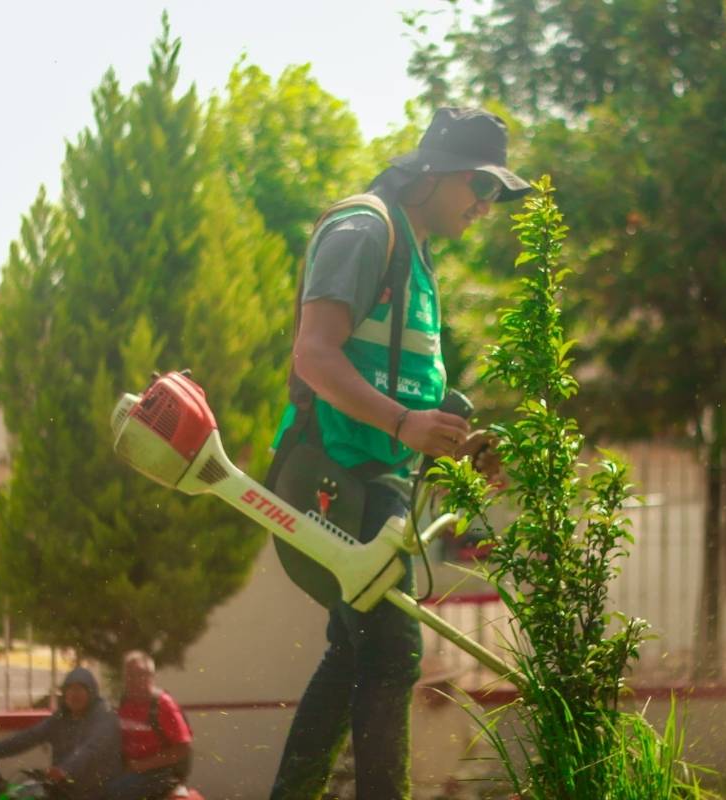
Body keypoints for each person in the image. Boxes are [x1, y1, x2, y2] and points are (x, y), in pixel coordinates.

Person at [266, 107, 529, 799]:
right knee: (390, 654)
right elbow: (315, 356)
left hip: (374, 471)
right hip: (334, 468)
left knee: (357, 653)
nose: (485, 206)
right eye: (483, 186)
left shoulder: (415, 248)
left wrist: (459, 434)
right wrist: (403, 422)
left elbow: (407, 379)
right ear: (442, 171)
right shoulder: (364, 229)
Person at [0, 666, 122, 800]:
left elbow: (90, 750)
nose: (74, 694)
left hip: (97, 791)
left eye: (80, 689)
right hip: (64, 789)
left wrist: (65, 769)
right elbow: (29, 737)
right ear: (64, 694)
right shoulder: (61, 718)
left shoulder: (104, 716)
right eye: (70, 689)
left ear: (91, 692)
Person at [103, 650, 194, 800]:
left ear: (151, 677)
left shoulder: (163, 704)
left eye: (140, 674)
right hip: (132, 770)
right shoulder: (125, 702)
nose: (133, 680)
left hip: (163, 773)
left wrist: (142, 765)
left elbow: (183, 748)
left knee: (115, 791)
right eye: (129, 675)